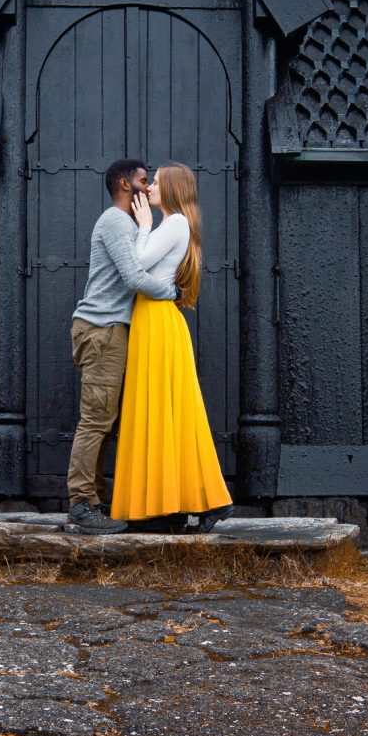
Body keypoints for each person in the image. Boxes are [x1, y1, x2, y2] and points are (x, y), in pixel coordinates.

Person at [111, 163, 232, 528]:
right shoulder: (175, 224)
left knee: (161, 412)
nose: (149, 189)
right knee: (164, 414)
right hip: (155, 320)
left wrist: (144, 227)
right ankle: (176, 506)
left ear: (175, 189)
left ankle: (197, 502)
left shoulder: (175, 223)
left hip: (159, 321)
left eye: (158, 182)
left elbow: (139, 263)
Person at [65, 156, 151, 532]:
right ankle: (82, 505)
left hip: (108, 330)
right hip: (102, 329)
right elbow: (134, 276)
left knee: (105, 421)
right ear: (123, 183)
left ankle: (96, 501)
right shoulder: (116, 221)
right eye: (143, 181)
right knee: (96, 420)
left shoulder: (125, 222)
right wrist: (176, 292)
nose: (147, 188)